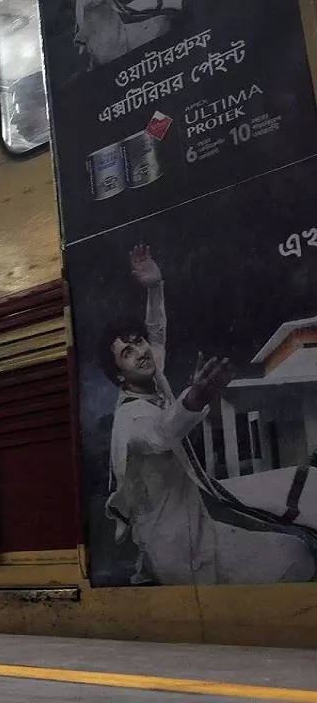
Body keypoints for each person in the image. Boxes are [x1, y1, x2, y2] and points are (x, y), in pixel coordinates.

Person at [101, 245, 316, 584]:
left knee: (295, 552)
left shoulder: (151, 378)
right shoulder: (130, 421)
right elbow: (161, 433)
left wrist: (155, 288)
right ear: (119, 376)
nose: (141, 352)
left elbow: (156, 332)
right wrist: (197, 396)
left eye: (138, 343)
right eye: (128, 352)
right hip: (176, 551)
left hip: (202, 531)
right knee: (291, 563)